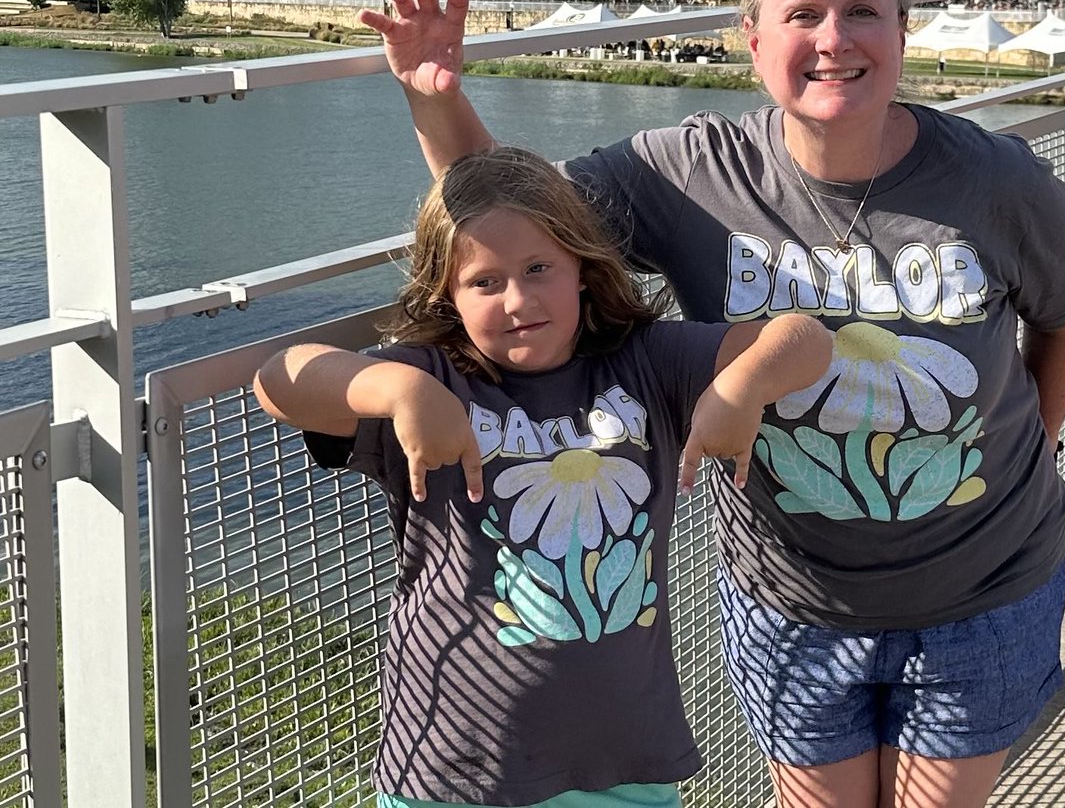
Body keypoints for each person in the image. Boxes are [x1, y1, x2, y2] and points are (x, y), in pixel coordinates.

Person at [358, 0, 1065, 808]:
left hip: (982, 584)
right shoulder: (687, 174)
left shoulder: (998, 180)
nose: (835, 39)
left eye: (863, 10)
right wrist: (438, 97)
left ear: (903, 30)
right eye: (803, 14)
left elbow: (1064, 319)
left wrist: (1032, 445)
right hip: (792, 595)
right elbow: (519, 231)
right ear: (751, 39)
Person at [254, 146, 833, 808]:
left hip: (624, 762)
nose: (519, 299)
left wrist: (741, 389)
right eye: (485, 282)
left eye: (538, 269)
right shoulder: (435, 379)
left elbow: (805, 338)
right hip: (453, 764)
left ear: (582, 270)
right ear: (446, 291)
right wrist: (396, 390)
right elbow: (281, 378)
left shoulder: (645, 363)